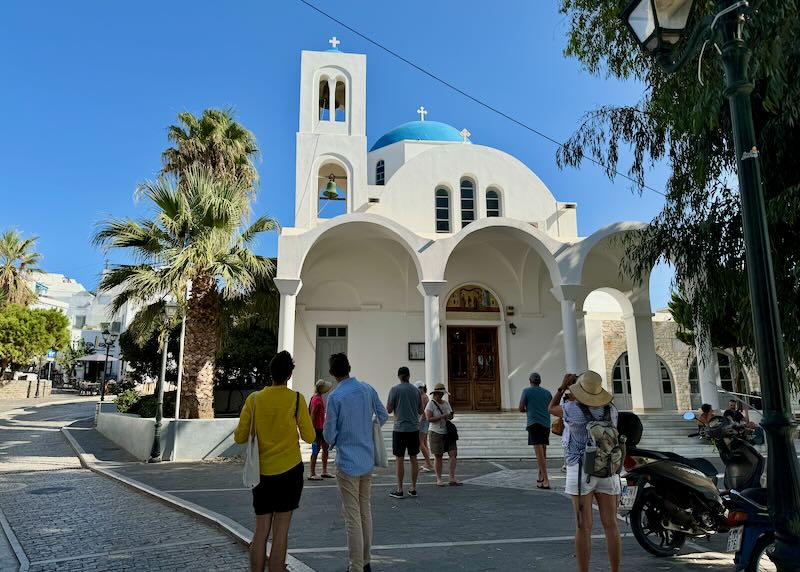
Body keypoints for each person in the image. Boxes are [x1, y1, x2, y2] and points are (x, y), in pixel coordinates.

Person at [234, 351, 315, 572]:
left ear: (270, 373)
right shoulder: (297, 399)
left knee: (260, 532)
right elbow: (310, 436)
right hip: (289, 472)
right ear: (289, 375)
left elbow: (240, 437)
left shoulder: (254, 400)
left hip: (261, 473)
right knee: (281, 533)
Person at [549, 371, 621, 572]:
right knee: (611, 525)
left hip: (581, 470)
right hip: (607, 470)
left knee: (583, 526)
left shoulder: (572, 409)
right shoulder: (611, 410)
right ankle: (615, 569)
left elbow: (551, 408)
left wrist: (562, 387)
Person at [323, 353, 388, 572]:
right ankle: (366, 560)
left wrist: (339, 437)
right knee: (364, 510)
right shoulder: (367, 389)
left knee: (352, 515)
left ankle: (356, 566)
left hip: (347, 461)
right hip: (366, 459)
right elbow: (383, 415)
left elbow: (329, 433)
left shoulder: (335, 397)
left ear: (332, 373)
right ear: (349, 368)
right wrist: (367, 428)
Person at [386, 366, 423, 498]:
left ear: (399, 376)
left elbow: (389, 409)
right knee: (414, 458)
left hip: (400, 429)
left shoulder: (394, 390)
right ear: (409, 375)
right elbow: (420, 411)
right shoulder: (416, 391)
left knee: (399, 458)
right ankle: (413, 488)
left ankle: (400, 488)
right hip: (414, 428)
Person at [519, 372, 553, 489]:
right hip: (545, 423)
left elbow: (520, 408)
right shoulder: (547, 393)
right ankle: (540, 475)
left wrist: (528, 410)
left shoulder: (526, 391)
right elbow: (551, 407)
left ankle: (546, 480)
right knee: (543, 451)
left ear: (530, 381)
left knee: (539, 453)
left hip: (534, 423)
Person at [425, 383, 461, 487]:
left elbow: (451, 416)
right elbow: (429, 419)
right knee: (438, 456)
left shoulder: (446, 403)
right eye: (440, 394)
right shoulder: (430, 404)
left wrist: (449, 416)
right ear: (436, 393)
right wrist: (443, 416)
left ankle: (452, 477)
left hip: (448, 432)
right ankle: (439, 479)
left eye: (442, 394)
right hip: (436, 432)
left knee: (453, 453)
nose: (441, 396)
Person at [308, 379, 334, 480]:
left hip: (321, 428)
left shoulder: (315, 397)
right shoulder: (317, 399)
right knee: (316, 450)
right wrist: (312, 429)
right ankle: (312, 473)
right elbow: (313, 414)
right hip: (317, 429)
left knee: (325, 449)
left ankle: (324, 471)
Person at [414, 381, 434, 472]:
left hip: (422, 421)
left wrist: (418, 422)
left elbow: (423, 412)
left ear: (420, 388)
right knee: (424, 443)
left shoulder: (423, 397)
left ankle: (429, 464)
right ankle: (428, 463)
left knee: (420, 443)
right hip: (424, 421)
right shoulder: (424, 396)